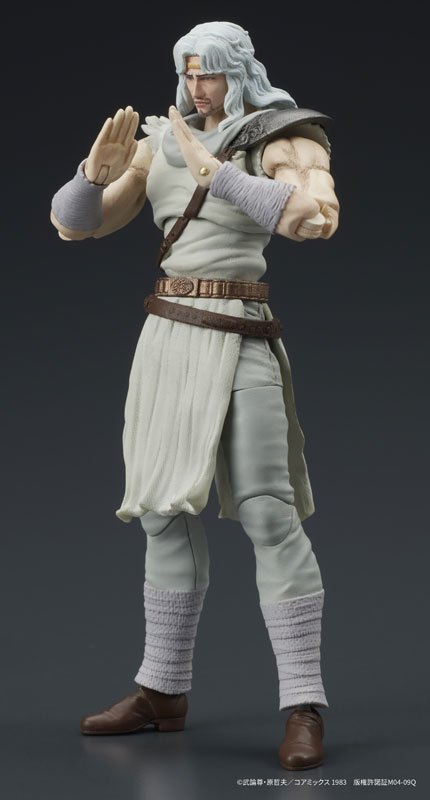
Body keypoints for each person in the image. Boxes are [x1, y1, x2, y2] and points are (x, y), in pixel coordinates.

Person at [50, 21, 339, 770]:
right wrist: (90, 176)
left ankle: (303, 702)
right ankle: (162, 691)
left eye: (207, 71)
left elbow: (314, 220)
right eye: (187, 72)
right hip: (170, 337)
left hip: (239, 332)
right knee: (160, 513)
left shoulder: (280, 135)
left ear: (236, 70)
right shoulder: (161, 141)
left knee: (268, 512)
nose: (196, 85)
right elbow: (78, 227)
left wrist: (221, 173)